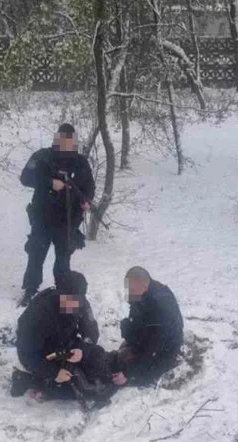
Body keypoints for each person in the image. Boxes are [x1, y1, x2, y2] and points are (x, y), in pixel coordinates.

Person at [19, 123, 95, 306]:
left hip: (68, 220)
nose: (67, 145)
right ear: (57, 139)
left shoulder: (80, 162)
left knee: (63, 259)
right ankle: (30, 290)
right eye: (63, 140)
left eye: (70, 141)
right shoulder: (43, 156)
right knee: (36, 255)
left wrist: (87, 200)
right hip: (42, 217)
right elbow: (25, 178)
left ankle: (63, 290)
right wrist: (50, 183)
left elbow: (89, 186)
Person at [13, 271, 113, 402]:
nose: (74, 305)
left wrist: (83, 349)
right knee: (82, 389)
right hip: (43, 355)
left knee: (97, 358)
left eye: (78, 300)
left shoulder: (79, 301)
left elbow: (91, 330)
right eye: (69, 300)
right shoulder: (38, 314)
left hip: (66, 346)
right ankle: (27, 380)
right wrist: (54, 372)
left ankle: (57, 380)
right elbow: (27, 354)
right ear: (59, 295)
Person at [111, 266, 183, 386]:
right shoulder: (141, 291)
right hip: (150, 333)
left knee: (138, 377)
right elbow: (134, 316)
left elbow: (154, 346)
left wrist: (129, 373)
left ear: (144, 284)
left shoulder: (162, 304)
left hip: (165, 347)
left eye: (132, 289)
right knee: (126, 326)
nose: (129, 292)